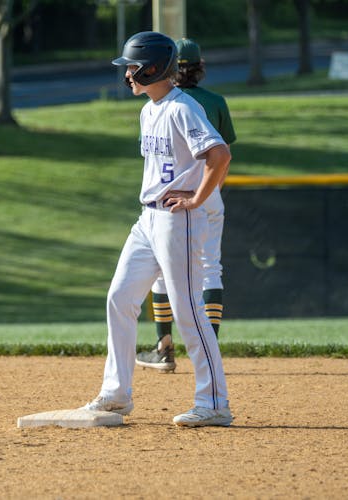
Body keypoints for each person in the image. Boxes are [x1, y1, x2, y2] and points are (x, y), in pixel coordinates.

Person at [80, 31, 233, 427]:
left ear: (151, 67)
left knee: (187, 311)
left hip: (177, 219)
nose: (127, 74)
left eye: (131, 67)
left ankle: (214, 402)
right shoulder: (149, 109)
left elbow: (220, 154)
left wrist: (197, 200)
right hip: (147, 218)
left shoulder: (183, 108)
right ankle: (116, 395)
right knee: (120, 296)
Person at [135, 37, 237, 374]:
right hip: (209, 193)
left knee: (161, 278)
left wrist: (195, 196)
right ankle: (211, 347)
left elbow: (217, 153)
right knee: (211, 270)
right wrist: (210, 193)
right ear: (200, 67)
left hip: (177, 199)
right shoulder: (215, 101)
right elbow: (222, 157)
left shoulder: (169, 102)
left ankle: (164, 347)